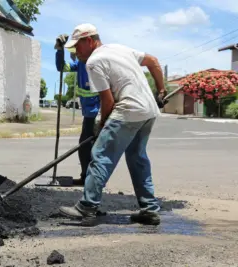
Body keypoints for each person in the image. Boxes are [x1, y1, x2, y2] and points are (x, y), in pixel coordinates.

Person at [58, 23, 168, 226]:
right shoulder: (121, 49)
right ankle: (149, 210)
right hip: (149, 111)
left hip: (128, 109)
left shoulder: (93, 62)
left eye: (77, 46)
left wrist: (101, 125)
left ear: (89, 40)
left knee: (101, 155)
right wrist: (161, 91)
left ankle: (87, 207)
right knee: (137, 158)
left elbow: (107, 101)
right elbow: (153, 61)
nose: (76, 52)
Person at [54, 34, 100, 186]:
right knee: (85, 146)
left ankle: (92, 180)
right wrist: (60, 51)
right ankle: (87, 177)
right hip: (88, 113)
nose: (76, 53)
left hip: (98, 113)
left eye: (77, 49)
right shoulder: (80, 64)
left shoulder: (96, 63)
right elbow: (62, 67)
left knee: (92, 147)